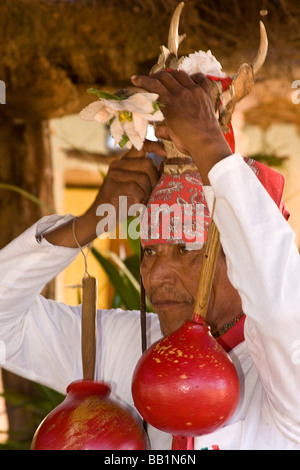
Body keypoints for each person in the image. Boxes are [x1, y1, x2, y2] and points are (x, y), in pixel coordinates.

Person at [1, 69, 300, 450]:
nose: (156, 275)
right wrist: (89, 222)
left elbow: (281, 307)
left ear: (239, 256)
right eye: (148, 250)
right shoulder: (130, 346)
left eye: (184, 249)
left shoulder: (281, 370)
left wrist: (208, 143)